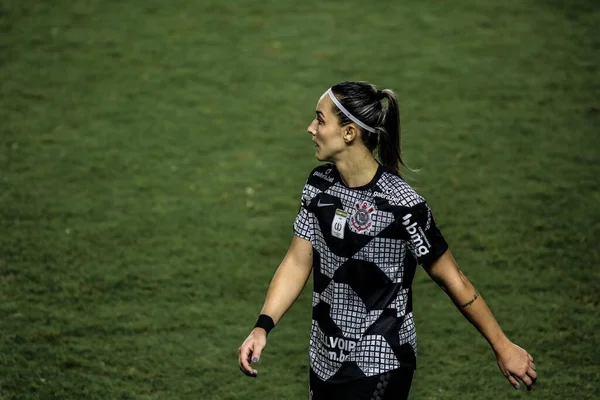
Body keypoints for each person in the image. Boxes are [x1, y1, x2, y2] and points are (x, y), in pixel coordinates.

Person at [237, 81, 537, 399]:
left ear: (349, 133)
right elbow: (298, 261)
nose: (311, 128)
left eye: (320, 120)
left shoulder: (402, 206)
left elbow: (453, 280)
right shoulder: (318, 185)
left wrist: (502, 346)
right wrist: (262, 327)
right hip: (325, 361)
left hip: (380, 362)